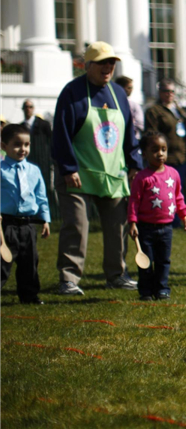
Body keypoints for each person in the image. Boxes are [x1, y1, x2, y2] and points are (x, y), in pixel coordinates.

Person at [52, 41, 142, 295]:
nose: (108, 67)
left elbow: (128, 134)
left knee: (117, 228)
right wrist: (68, 169)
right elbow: (61, 135)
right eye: (102, 62)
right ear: (88, 65)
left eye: (111, 63)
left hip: (112, 175)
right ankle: (69, 279)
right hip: (78, 174)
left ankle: (117, 274)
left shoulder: (118, 93)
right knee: (77, 227)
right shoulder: (72, 92)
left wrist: (134, 163)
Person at [127, 132, 186, 300]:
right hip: (146, 227)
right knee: (146, 262)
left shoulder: (173, 174)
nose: (160, 153)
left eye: (163, 149)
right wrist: (133, 222)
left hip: (166, 228)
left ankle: (162, 288)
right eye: (155, 150)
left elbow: (178, 197)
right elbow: (134, 201)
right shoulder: (142, 178)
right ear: (145, 153)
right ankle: (146, 291)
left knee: (163, 261)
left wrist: (184, 215)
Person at [1, 124, 51, 304]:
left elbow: (41, 196)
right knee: (2, 262)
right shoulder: (1, 169)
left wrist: (44, 219)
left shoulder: (34, 170)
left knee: (29, 262)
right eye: (17, 144)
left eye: (27, 145)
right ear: (3, 146)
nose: (23, 149)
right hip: (5, 225)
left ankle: (29, 296)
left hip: (28, 225)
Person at [144, 79, 186, 186]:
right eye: (166, 91)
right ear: (160, 92)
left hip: (181, 157)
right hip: (166, 159)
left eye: (172, 91)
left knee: (178, 192)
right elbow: (152, 135)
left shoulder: (178, 109)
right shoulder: (154, 111)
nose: (170, 94)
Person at [20, 98, 52, 191]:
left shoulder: (43, 124)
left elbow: (50, 141)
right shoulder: (21, 127)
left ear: (33, 109)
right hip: (27, 161)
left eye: (30, 107)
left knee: (44, 187)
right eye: (26, 107)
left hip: (42, 161)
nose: (28, 109)